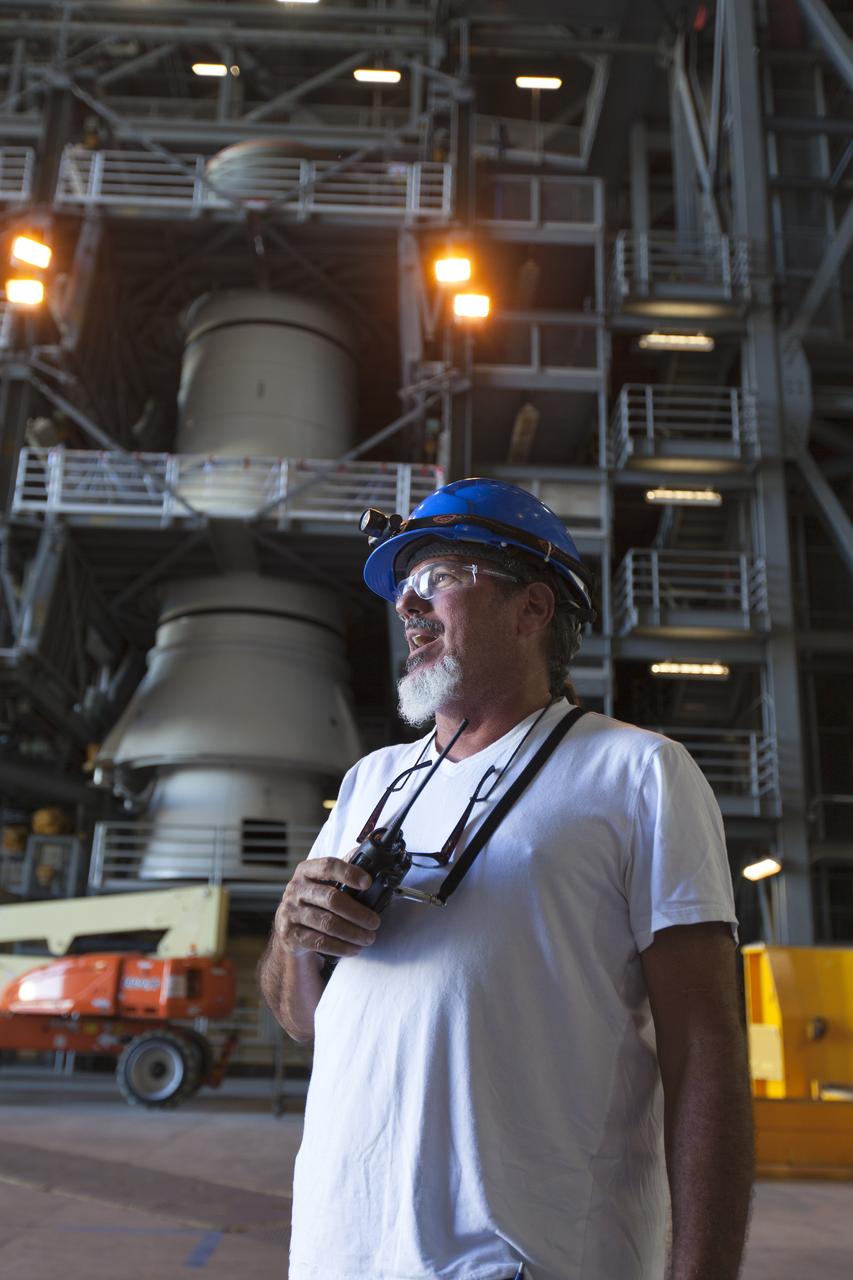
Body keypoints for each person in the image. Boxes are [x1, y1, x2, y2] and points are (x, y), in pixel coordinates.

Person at [259, 478, 754, 1280]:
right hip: (339, 1252)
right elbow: (300, 1018)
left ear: (531, 610)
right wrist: (292, 935)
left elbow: (703, 1048)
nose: (409, 608)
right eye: (402, 590)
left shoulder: (636, 772)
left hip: (524, 1260)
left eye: (439, 579)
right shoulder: (369, 782)